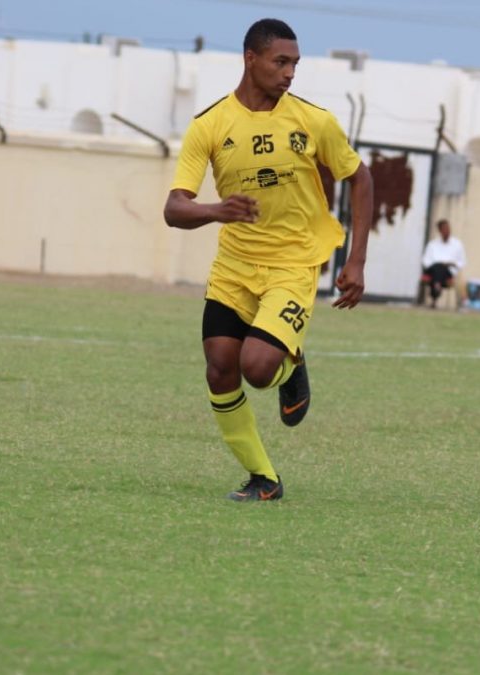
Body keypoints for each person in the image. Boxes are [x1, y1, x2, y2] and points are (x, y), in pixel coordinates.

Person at [163, 18, 373, 502]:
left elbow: (360, 178)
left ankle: (289, 363)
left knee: (256, 368)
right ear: (250, 59)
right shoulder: (210, 125)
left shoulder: (313, 121)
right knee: (220, 367)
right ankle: (264, 479)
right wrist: (217, 211)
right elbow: (174, 209)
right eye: (280, 62)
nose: (290, 73)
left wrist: (356, 260)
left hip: (293, 264)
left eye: (295, 63)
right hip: (234, 267)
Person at [421, 219, 466, 308]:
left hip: (448, 272)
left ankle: (436, 287)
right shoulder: (432, 244)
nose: (447, 231)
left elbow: (462, 262)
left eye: (448, 228)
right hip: (433, 270)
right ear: (440, 230)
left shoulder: (457, 244)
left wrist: (451, 264)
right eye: (444, 229)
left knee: (442, 268)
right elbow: (425, 261)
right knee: (438, 267)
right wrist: (438, 265)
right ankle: (437, 285)